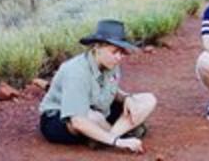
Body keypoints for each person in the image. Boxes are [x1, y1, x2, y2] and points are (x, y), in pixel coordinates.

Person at [38, 19, 157, 153]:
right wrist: (118, 142)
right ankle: (116, 136)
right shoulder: (76, 71)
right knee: (92, 117)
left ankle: (104, 137)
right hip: (61, 118)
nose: (119, 57)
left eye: (122, 52)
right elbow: (77, 120)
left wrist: (126, 98)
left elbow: (107, 89)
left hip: (98, 108)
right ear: (97, 47)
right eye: (114, 51)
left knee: (147, 100)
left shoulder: (111, 64)